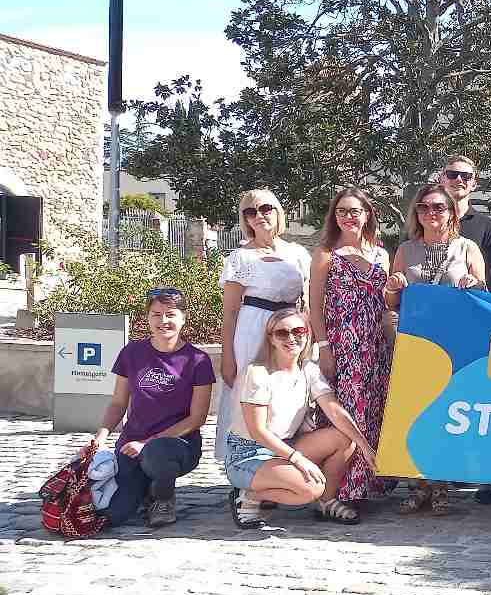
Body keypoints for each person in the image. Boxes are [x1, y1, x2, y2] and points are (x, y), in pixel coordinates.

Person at [226, 308, 378, 528]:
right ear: (271, 339)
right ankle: (249, 497)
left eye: (299, 331)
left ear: (308, 335)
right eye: (282, 333)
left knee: (343, 439)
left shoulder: (308, 369)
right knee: (310, 488)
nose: (291, 338)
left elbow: (333, 409)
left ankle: (326, 502)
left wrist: (365, 445)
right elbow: (258, 431)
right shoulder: (258, 373)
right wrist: (298, 459)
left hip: (286, 445)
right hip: (250, 452)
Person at [386, 184, 487, 514]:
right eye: (425, 207)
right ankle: (418, 485)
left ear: (452, 212)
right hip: (416, 344)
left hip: (454, 343)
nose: (432, 213)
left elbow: (484, 295)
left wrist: (474, 284)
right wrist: (393, 287)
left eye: (439, 207)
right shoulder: (405, 249)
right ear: (417, 214)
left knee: (446, 413)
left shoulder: (468, 248)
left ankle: (441, 485)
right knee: (414, 413)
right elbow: (391, 300)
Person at [82, 289, 216, 528]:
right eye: (156, 314)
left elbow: (197, 419)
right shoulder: (132, 353)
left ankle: (163, 499)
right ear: (147, 317)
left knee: (156, 453)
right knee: (115, 514)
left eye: (171, 314)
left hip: (176, 446)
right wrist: (100, 438)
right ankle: (146, 489)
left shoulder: (198, 360)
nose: (163, 321)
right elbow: (118, 402)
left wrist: (147, 443)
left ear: (183, 318)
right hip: (131, 445)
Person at [308, 188, 391, 507]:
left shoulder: (380, 254)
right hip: (343, 345)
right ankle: (342, 490)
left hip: (375, 344)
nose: (348, 217)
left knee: (372, 410)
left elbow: (386, 302)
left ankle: (368, 483)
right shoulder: (325, 254)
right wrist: (324, 346)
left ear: (367, 214)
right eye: (341, 211)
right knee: (349, 413)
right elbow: (315, 305)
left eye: (355, 211)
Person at [215, 189, 310, 459]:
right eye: (250, 212)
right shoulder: (240, 258)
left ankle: (279, 461)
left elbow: (309, 302)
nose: (259, 216)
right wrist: (228, 357)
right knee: (248, 393)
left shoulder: (298, 253)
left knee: (283, 394)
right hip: (251, 330)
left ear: (277, 211)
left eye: (265, 208)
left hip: (290, 331)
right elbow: (230, 312)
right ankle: (241, 463)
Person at [440, 155, 491, 256]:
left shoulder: (485, 225)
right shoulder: (427, 219)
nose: (459, 179)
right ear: (442, 180)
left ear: (473, 185)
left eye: (466, 176)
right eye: (452, 174)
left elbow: (490, 268)